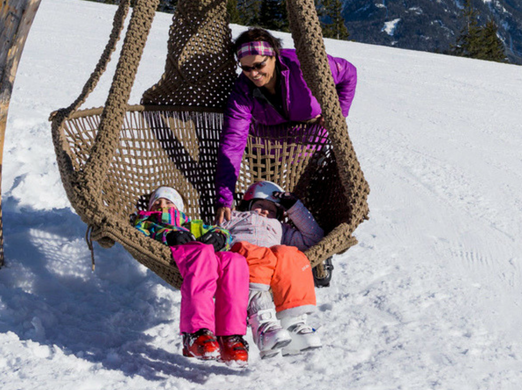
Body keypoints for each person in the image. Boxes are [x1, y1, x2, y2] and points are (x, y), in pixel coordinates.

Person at [215, 27, 357, 224]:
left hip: (308, 138)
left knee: (303, 192)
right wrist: (224, 198)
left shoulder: (305, 67)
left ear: (274, 55)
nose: (253, 74)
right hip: (266, 142)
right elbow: (233, 143)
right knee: (265, 193)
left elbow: (349, 73)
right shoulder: (243, 91)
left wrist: (338, 112)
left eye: (259, 65)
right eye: (246, 68)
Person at [131, 187, 249, 363]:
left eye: (168, 202)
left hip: (208, 258)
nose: (162, 205)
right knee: (201, 253)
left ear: (179, 207)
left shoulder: (194, 225)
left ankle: (230, 337)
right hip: (184, 257)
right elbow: (138, 236)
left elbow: (224, 233)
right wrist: (168, 235)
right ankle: (196, 334)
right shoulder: (148, 221)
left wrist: (219, 237)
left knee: (235, 261)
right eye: (157, 202)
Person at [225, 181, 325, 358]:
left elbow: (314, 238)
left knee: (291, 254)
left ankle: (294, 325)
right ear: (248, 205)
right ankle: (263, 327)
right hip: (242, 263)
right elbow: (213, 232)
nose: (264, 211)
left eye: (271, 210)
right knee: (252, 251)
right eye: (259, 205)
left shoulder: (281, 228)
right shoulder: (233, 217)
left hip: (272, 268)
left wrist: (294, 207)